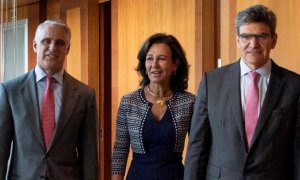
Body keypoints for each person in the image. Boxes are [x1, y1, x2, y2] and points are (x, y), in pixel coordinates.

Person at [184, 4, 300, 180]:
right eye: (246, 36)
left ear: (273, 40)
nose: (253, 44)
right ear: (237, 40)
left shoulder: (294, 85)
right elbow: (197, 146)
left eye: (261, 36)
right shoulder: (212, 82)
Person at [0, 20, 99, 179]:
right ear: (34, 46)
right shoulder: (10, 91)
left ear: (67, 48)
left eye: (60, 43)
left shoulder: (85, 95)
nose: (53, 48)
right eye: (46, 41)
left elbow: (90, 154)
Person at [111, 33, 195, 180]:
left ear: (175, 64)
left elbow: (197, 150)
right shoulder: (128, 102)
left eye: (162, 59)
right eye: (149, 58)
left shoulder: (189, 102)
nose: (154, 65)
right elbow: (120, 151)